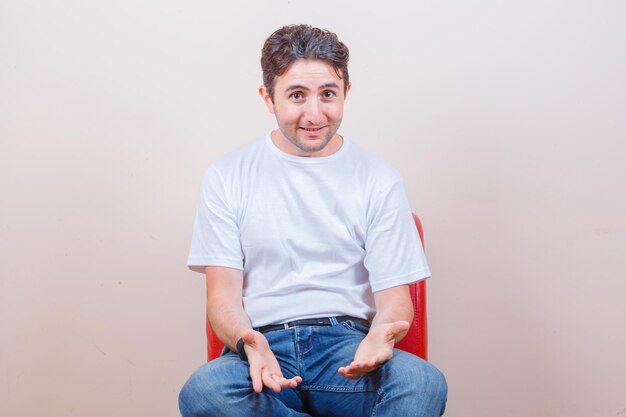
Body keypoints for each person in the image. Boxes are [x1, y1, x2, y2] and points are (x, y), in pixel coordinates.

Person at [179, 24, 447, 417]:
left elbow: (395, 303)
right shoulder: (227, 176)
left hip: (348, 353)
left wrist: (379, 335)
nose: (314, 114)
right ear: (268, 98)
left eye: (327, 95)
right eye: (297, 96)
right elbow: (222, 299)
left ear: (346, 93)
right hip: (264, 352)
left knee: (423, 383)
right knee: (204, 392)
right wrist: (248, 341)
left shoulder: (379, 179)